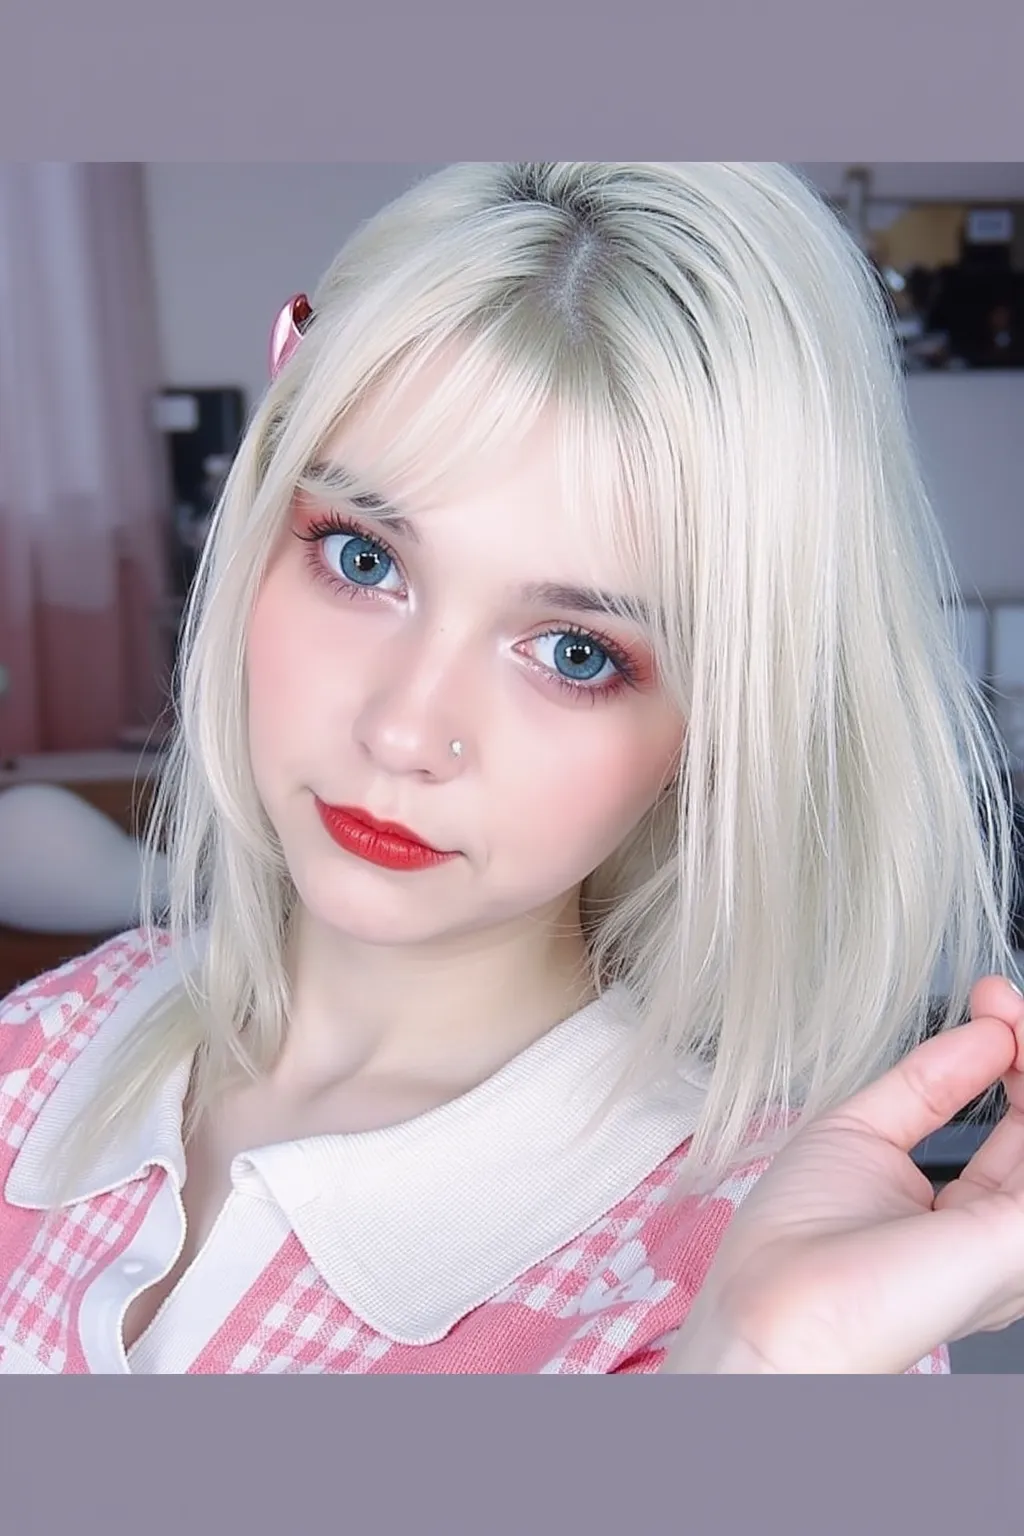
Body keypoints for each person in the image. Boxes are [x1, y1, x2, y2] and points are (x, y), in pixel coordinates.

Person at [0, 161, 1022, 1376]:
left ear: (711, 728)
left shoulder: (755, 1280)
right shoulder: (43, 1044)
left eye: (575, 652)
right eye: (364, 560)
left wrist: (751, 1364)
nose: (403, 732)